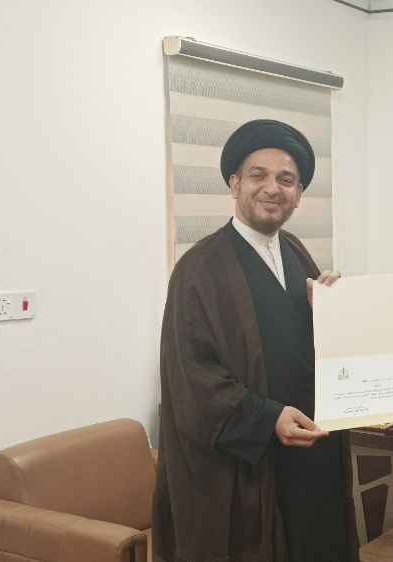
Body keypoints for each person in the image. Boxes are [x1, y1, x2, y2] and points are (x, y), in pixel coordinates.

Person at [152, 119, 356, 562]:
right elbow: (192, 378)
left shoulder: (295, 251)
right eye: (258, 175)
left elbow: (299, 343)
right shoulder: (200, 268)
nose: (272, 189)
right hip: (248, 466)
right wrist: (267, 419)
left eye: (286, 180)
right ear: (234, 183)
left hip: (313, 451)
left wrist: (329, 311)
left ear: (298, 194)